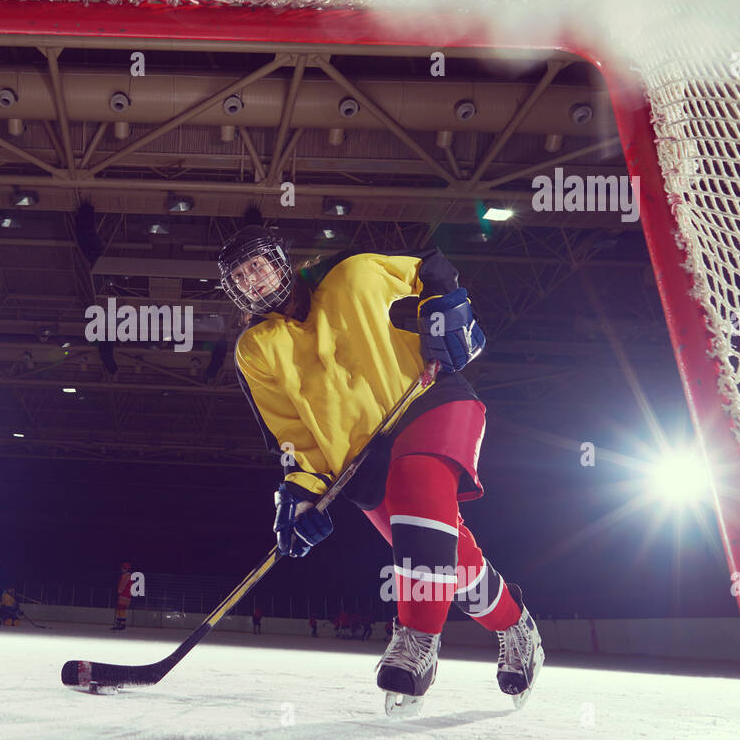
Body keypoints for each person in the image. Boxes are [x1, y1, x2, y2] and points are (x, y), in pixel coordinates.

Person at [219, 219, 543, 713]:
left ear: (280, 260)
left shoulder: (353, 273)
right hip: (363, 462)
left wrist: (446, 310)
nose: (254, 281)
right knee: (446, 560)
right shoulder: (255, 350)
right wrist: (300, 492)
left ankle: (417, 640)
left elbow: (432, 270)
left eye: (258, 267)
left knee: (420, 507)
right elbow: (294, 436)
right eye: (241, 279)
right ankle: (516, 624)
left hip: (429, 402)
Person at [112, 561, 133, 631]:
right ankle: (120, 624)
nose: (121, 569)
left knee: (121, 609)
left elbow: (123, 584)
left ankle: (121, 624)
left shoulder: (126, 575)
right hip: (126, 595)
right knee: (121, 609)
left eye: (123, 568)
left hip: (124, 595)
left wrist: (119, 591)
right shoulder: (128, 575)